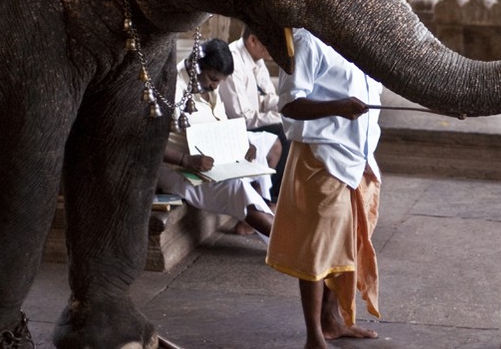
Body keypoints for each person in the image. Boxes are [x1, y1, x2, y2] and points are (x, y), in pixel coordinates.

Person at [266, 28, 384, 348]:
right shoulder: (307, 41)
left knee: (342, 245)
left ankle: (331, 322)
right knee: (316, 249)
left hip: (356, 158)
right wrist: (338, 106)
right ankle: (313, 336)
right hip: (321, 157)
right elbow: (290, 104)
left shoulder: (358, 41)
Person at [158, 39, 280, 241]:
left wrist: (242, 143)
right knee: (236, 187)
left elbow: (221, 122)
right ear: (196, 66)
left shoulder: (209, 87)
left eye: (220, 81)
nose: (215, 86)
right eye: (213, 79)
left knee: (263, 144)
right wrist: (185, 160)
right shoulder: (172, 89)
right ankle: (286, 246)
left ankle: (256, 213)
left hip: (214, 159)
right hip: (178, 169)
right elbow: (149, 145)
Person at [220, 26, 290, 200]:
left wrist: (286, 107)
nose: (277, 49)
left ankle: (280, 197)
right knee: (284, 132)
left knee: (292, 124)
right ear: (253, 41)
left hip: (252, 120)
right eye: (272, 44)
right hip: (234, 127)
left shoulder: (257, 59)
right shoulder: (234, 61)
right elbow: (241, 118)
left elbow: (267, 97)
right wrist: (281, 116)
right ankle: (271, 199)